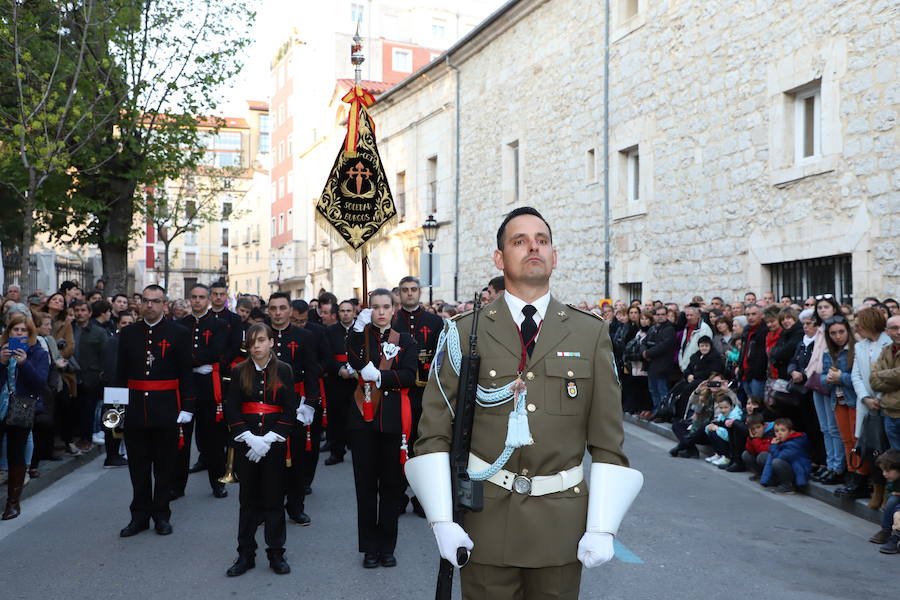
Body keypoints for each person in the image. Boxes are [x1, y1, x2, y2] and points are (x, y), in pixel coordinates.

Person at [406, 207, 642, 598]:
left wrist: (602, 526)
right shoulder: (464, 333)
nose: (533, 247)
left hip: (561, 527)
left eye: (542, 240)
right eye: (520, 241)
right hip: (484, 524)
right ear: (500, 259)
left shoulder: (589, 333)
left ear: (554, 256)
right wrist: (441, 520)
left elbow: (607, 440)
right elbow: (433, 433)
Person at [345, 289, 418, 568]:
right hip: (363, 419)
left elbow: (410, 375)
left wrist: (382, 376)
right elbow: (351, 357)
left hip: (391, 420)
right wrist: (356, 328)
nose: (381, 312)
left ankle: (387, 547)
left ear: (394, 309)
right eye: (375, 307)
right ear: (369, 311)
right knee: (365, 487)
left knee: (391, 486)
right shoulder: (361, 337)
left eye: (386, 306)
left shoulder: (406, 340)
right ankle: (369, 548)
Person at [116, 284, 196, 537]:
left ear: (164, 304)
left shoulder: (179, 332)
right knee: (137, 467)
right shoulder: (128, 333)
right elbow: (119, 373)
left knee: (164, 467)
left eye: (155, 301)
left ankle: (162, 515)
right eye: (146, 301)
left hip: (167, 409)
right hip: (135, 409)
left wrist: (188, 407)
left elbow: (186, 372)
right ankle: (139, 517)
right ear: (140, 304)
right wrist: (116, 411)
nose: (149, 305)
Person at [223, 323, 298, 576]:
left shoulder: (285, 370)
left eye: (261, 340)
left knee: (274, 500)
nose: (256, 346)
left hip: (273, 445)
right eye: (252, 341)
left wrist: (268, 440)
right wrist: (248, 437)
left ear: (271, 343)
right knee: (248, 501)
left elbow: (289, 409)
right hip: (246, 445)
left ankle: (276, 553)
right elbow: (231, 407)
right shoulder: (238, 371)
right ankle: (245, 554)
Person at [392, 276, 443, 518]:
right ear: (399, 293)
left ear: (420, 292)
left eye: (413, 289)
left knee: (424, 444)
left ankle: (423, 498)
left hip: (427, 393)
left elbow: (443, 356)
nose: (409, 294)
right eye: (405, 290)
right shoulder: (392, 321)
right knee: (401, 444)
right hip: (400, 391)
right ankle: (399, 495)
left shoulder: (435, 322)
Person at [267, 293, 319, 525]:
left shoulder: (305, 336)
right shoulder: (259, 334)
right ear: (268, 311)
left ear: (290, 310)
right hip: (265, 403)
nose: (277, 312)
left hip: (296, 404)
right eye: (273, 308)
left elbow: (312, 372)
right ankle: (265, 506)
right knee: (266, 459)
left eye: (282, 308)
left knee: (297, 459)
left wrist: (310, 403)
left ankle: (296, 506)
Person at [176, 284, 229, 499]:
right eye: (194, 297)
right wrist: (195, 364)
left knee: (213, 440)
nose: (197, 301)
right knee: (182, 440)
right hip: (186, 387)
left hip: (209, 389)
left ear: (208, 300)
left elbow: (216, 352)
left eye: (201, 297)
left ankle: (218, 483)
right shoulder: (180, 325)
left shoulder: (220, 324)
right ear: (189, 299)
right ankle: (177, 486)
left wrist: (193, 360)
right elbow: (179, 355)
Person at [0, 314, 50, 519]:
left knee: (15, 453)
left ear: (30, 334)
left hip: (21, 407)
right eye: (15, 330)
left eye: (23, 331)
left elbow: (39, 383)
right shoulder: (2, 351)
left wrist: (24, 363)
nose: (19, 334)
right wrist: (2, 363)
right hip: (1, 405)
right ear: (9, 332)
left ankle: (13, 503)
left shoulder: (37, 353)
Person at [851, 307, 893, 508]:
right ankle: (877, 488)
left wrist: (879, 397)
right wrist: (866, 397)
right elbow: (856, 375)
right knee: (871, 448)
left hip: (887, 403)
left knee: (887, 449)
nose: (857, 328)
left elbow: (889, 376)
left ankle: (889, 491)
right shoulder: (860, 346)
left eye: (860, 323)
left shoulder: (889, 343)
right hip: (867, 405)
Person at [820, 316, 863, 495]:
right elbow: (823, 376)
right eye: (833, 333)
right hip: (837, 400)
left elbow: (860, 378)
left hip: (853, 400)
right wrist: (828, 379)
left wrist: (840, 378)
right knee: (846, 440)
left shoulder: (855, 349)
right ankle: (851, 476)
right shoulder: (828, 352)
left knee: (856, 440)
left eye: (841, 332)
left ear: (848, 331)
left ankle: (860, 479)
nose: (837, 336)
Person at [72, 300, 110, 451]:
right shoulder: (69, 329)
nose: (80, 313)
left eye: (83, 310)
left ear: (89, 313)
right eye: (77, 310)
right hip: (72, 375)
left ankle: (86, 438)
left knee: (87, 409)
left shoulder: (98, 332)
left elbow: (105, 354)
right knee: (74, 409)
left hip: (91, 377)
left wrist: (101, 374)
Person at [323, 300, 357, 465]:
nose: (346, 314)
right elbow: (326, 355)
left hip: (357, 380)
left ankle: (357, 450)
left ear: (354, 312)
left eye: (348, 311)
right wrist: (339, 369)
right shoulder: (330, 331)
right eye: (342, 311)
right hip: (336, 380)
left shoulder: (362, 329)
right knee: (336, 418)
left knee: (357, 417)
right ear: (338, 314)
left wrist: (356, 369)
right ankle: (337, 452)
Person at [870, 315, 900, 451]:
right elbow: (873, 382)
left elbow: (877, 375)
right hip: (889, 413)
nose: (899, 331)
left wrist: (880, 374)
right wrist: (893, 379)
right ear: (887, 331)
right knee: (894, 457)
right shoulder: (886, 350)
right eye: (894, 328)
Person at [760, 417, 812, 494]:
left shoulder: (794, 443)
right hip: (789, 467)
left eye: (783, 430)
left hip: (798, 471)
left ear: (790, 432)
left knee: (776, 461)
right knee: (763, 456)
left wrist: (774, 446)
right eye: (777, 431)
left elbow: (780, 456)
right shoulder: (783, 441)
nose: (779, 433)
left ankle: (788, 486)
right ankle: (774, 480)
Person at [643, 305, 676, 419]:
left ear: (667, 315)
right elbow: (645, 341)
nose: (660, 317)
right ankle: (656, 410)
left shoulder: (669, 329)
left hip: (663, 366)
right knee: (653, 390)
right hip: (651, 365)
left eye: (663, 314)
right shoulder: (653, 328)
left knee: (662, 391)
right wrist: (644, 351)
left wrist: (648, 353)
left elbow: (664, 346)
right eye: (658, 314)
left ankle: (663, 414)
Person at [869, 449, 900, 553]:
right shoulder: (894, 480)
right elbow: (893, 491)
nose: (884, 474)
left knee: (898, 513)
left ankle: (896, 537)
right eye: (883, 470)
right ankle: (886, 530)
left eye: (887, 471)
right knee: (892, 501)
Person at [703, 394, 744, 468]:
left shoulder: (735, 416)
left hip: (732, 443)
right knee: (710, 431)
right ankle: (719, 454)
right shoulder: (721, 415)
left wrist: (716, 428)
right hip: (725, 438)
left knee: (714, 432)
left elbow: (728, 436)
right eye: (721, 408)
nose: (723, 410)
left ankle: (726, 457)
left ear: (731, 407)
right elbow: (716, 424)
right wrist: (709, 427)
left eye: (726, 407)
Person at [738, 304, 768, 401]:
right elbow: (743, 351)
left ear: (761, 315)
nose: (750, 317)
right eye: (747, 315)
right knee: (750, 404)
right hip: (745, 374)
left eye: (753, 314)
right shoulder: (746, 330)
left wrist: (758, 371)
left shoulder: (765, 331)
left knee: (758, 404)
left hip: (758, 376)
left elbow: (763, 355)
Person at [677, 306, 713, 373]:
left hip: (696, 367)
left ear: (698, 315)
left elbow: (705, 350)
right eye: (687, 315)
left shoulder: (704, 329)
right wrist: (681, 363)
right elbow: (683, 347)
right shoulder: (687, 328)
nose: (689, 317)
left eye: (691, 315)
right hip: (685, 366)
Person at [741, 414, 775, 480]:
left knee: (762, 456)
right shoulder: (753, 435)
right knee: (746, 454)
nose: (756, 430)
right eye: (753, 429)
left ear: (764, 425)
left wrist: (756, 439)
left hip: (771, 457)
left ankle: (772, 477)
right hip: (760, 451)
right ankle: (759, 473)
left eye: (758, 427)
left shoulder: (771, 432)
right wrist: (751, 438)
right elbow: (750, 450)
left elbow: (763, 450)